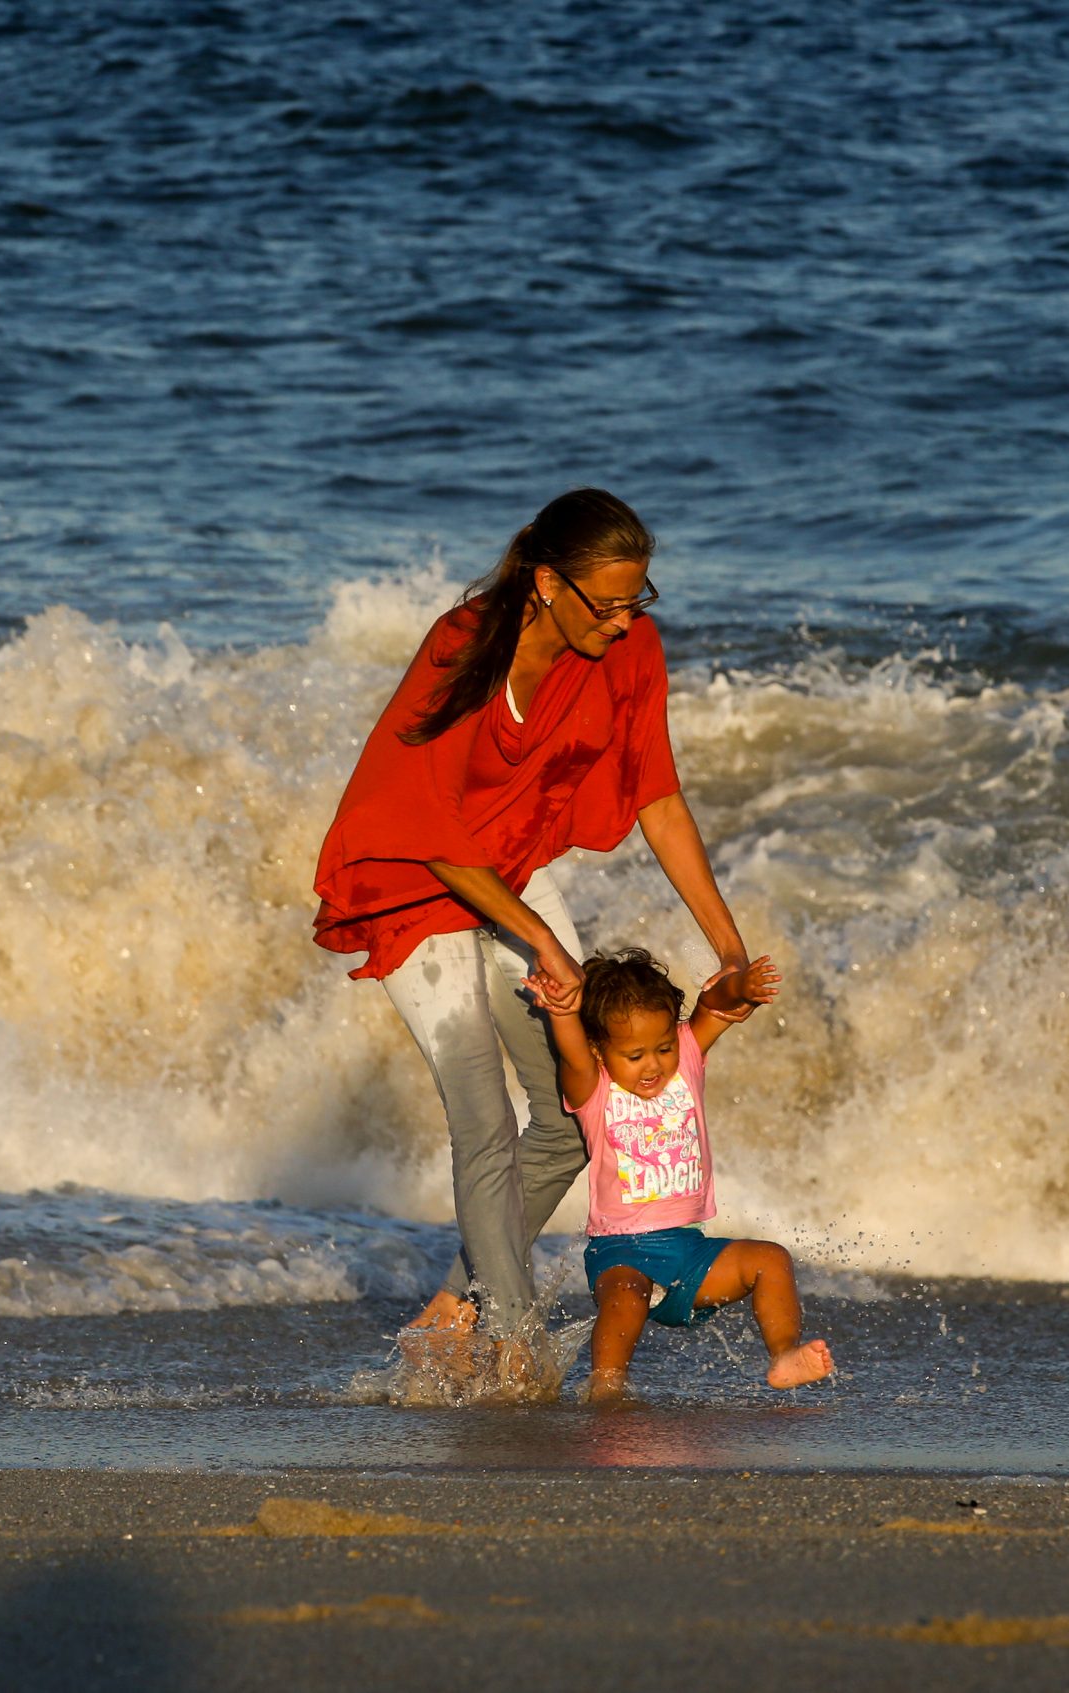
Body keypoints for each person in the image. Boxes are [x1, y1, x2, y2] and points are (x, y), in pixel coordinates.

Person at [312, 489, 762, 1395]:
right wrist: (542, 943)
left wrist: (728, 945)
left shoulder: (627, 647)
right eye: (606, 601)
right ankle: (517, 1349)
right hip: (413, 881)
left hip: (510, 870)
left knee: (567, 1116)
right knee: (481, 1119)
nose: (624, 619)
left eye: (639, 599)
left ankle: (461, 1297)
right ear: (548, 581)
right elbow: (434, 832)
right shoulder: (462, 644)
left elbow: (659, 797)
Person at [522, 947, 833, 1404]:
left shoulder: (686, 1058)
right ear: (599, 1050)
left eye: (663, 1048)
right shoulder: (594, 1087)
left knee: (771, 1258)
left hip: (689, 1251)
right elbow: (571, 1050)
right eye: (634, 1055)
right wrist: (564, 1012)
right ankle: (606, 1390)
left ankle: (784, 1354)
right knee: (626, 1296)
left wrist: (739, 988)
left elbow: (712, 1005)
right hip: (620, 1250)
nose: (653, 1064)